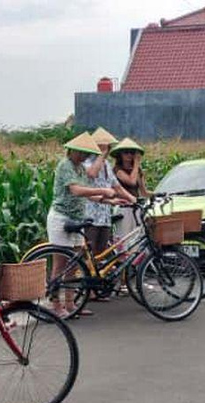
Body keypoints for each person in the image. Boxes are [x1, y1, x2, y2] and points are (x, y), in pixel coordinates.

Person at [47, 132, 116, 318]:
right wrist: (102, 190)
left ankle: (71, 304)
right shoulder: (65, 165)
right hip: (61, 218)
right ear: (74, 151)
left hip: (76, 219)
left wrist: (109, 201)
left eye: (87, 154)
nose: (85, 157)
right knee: (60, 265)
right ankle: (56, 305)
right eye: (83, 153)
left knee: (74, 264)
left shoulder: (79, 169)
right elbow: (76, 190)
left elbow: (88, 194)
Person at [83, 128, 135, 257]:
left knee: (102, 253)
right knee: (90, 254)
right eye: (105, 145)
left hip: (105, 217)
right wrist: (101, 154)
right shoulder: (87, 163)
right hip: (91, 217)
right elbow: (92, 174)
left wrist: (132, 198)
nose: (108, 148)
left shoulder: (106, 164)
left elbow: (116, 186)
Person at [111, 138, 148, 239]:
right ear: (120, 155)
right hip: (123, 207)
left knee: (138, 237)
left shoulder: (137, 170)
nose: (129, 155)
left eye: (132, 153)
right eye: (126, 153)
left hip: (136, 206)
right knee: (125, 237)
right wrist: (136, 164)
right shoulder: (117, 170)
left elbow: (143, 191)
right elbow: (131, 181)